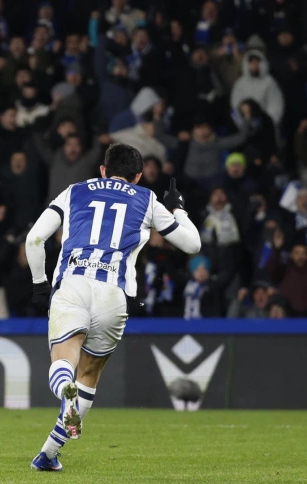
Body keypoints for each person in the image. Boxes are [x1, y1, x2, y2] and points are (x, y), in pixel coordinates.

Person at [25, 143, 200, 471]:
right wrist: (178, 209)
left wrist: (39, 284)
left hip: (74, 284)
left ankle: (64, 389)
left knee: (64, 360)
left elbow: (34, 239)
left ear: (103, 170)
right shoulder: (147, 199)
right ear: (138, 176)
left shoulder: (74, 191)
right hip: (114, 296)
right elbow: (193, 244)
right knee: (89, 374)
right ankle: (48, 454)